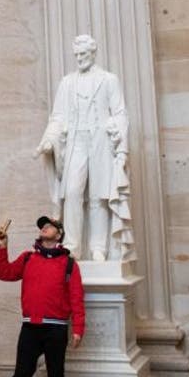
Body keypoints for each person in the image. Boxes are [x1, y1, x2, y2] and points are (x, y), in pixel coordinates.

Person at [35, 34, 131, 261]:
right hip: (76, 140)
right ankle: (72, 244)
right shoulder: (67, 83)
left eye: (83, 54)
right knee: (72, 192)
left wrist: (122, 147)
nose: (79, 58)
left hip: (100, 139)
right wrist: (49, 139)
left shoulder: (109, 80)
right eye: (76, 55)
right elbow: (57, 116)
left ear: (93, 53)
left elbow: (120, 113)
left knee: (99, 195)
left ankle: (99, 247)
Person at [0, 216, 85, 377]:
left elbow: (77, 298)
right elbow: (3, 273)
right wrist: (3, 248)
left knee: (56, 376)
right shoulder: (28, 258)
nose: (44, 228)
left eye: (49, 226)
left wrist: (78, 329)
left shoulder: (70, 264)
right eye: (42, 226)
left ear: (59, 234)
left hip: (56, 328)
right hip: (30, 328)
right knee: (21, 375)